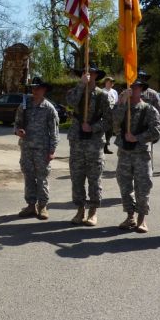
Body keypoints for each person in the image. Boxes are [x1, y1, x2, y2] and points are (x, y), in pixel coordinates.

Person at [66, 64, 113, 226]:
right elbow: (71, 102)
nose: (88, 75)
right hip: (77, 140)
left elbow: (109, 121)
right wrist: (81, 85)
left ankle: (93, 211)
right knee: (77, 177)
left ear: (96, 75)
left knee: (94, 178)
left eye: (91, 73)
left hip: (94, 142)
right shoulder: (75, 91)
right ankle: (80, 210)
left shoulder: (102, 96)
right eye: (85, 72)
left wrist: (93, 127)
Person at [113, 79, 160, 233]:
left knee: (143, 186)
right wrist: (121, 102)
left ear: (141, 89)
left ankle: (142, 219)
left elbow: (156, 132)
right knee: (125, 185)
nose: (133, 90)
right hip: (125, 153)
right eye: (130, 87)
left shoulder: (149, 109)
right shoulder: (122, 107)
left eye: (136, 87)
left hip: (141, 153)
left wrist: (137, 137)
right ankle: (130, 216)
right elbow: (114, 123)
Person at [14, 77, 59, 220]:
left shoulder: (49, 108)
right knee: (28, 177)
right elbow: (16, 123)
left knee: (42, 178)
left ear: (44, 89)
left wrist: (52, 150)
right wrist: (18, 131)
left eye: (38, 88)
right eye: (33, 88)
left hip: (42, 149)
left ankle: (43, 206)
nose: (35, 90)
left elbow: (54, 131)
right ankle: (31, 205)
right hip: (26, 148)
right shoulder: (24, 106)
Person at [102, 76, 118, 154]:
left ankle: (106, 146)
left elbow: (116, 102)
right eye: (109, 82)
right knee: (104, 131)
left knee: (110, 132)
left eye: (112, 82)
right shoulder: (102, 91)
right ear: (106, 82)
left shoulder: (114, 92)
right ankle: (103, 147)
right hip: (104, 115)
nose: (111, 83)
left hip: (112, 114)